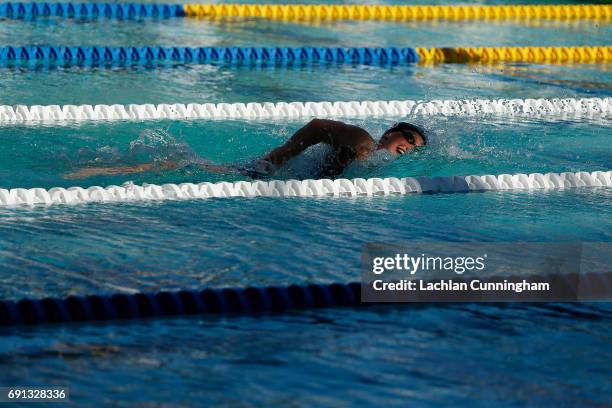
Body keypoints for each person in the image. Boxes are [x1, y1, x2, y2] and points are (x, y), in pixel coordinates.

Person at [63, 120, 427, 180]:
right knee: (188, 169)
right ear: (392, 131)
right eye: (408, 138)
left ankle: (110, 165)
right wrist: (283, 154)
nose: (409, 147)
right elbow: (317, 126)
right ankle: (105, 171)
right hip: (268, 173)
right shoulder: (363, 140)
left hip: (277, 180)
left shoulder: (376, 165)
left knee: (197, 169)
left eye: (416, 148)